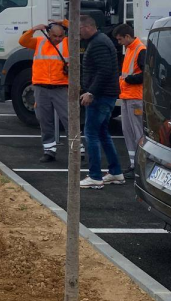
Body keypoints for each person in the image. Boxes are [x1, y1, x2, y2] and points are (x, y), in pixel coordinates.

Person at [78, 15, 124, 188]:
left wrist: (91, 92)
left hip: (101, 96)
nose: (78, 33)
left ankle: (95, 176)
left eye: (79, 29)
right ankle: (115, 172)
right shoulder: (101, 41)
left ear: (87, 27)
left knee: (91, 133)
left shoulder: (98, 43)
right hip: (106, 95)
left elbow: (104, 71)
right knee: (103, 133)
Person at [18, 19, 72, 163]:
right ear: (48, 34)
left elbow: (78, 32)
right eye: (55, 36)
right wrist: (34, 28)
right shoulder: (39, 42)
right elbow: (23, 41)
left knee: (69, 119)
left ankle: (77, 149)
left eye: (61, 36)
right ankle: (49, 150)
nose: (58, 39)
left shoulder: (68, 42)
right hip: (41, 87)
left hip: (60, 87)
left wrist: (64, 22)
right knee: (44, 119)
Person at [113, 23, 146, 179]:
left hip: (135, 97)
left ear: (127, 36)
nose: (119, 43)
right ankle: (134, 164)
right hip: (128, 96)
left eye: (120, 39)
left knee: (137, 132)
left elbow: (146, 74)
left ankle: (140, 165)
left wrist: (128, 80)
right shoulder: (131, 49)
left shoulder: (140, 50)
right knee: (128, 131)